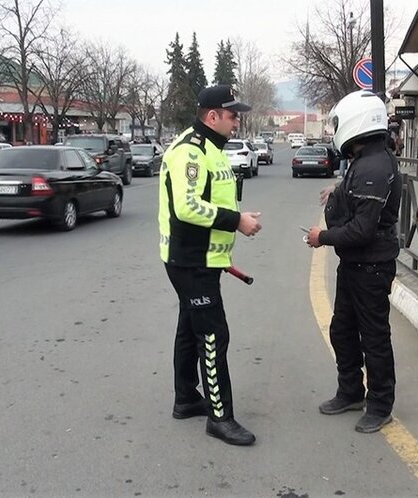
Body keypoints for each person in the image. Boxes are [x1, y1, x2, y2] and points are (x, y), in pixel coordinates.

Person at [158, 85, 262, 446]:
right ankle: (220, 418)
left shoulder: (211, 148)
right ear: (212, 116)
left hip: (202, 259)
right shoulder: (190, 150)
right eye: (233, 116)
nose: (237, 122)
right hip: (192, 261)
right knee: (214, 335)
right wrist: (237, 221)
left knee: (190, 329)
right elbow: (186, 207)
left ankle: (186, 398)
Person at [306, 90, 401, 434]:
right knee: (342, 330)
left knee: (374, 337)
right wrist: (339, 190)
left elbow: (362, 229)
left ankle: (380, 405)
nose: (335, 131)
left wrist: (322, 237)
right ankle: (350, 392)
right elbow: (358, 200)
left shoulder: (373, 165)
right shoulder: (368, 159)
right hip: (356, 264)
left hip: (371, 266)